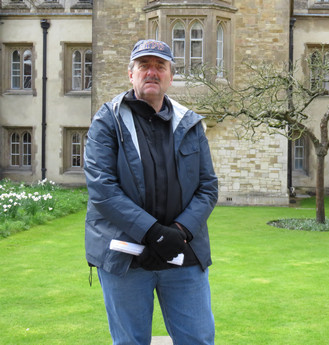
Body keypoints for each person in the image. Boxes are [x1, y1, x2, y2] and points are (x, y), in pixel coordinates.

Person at [84, 39, 218, 345]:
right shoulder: (108, 121)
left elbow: (207, 186)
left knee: (198, 339)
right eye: (144, 65)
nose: (152, 72)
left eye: (160, 66)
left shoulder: (191, 123)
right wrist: (153, 232)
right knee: (130, 342)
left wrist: (180, 231)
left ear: (171, 76)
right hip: (125, 257)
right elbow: (102, 188)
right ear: (130, 74)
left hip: (182, 253)